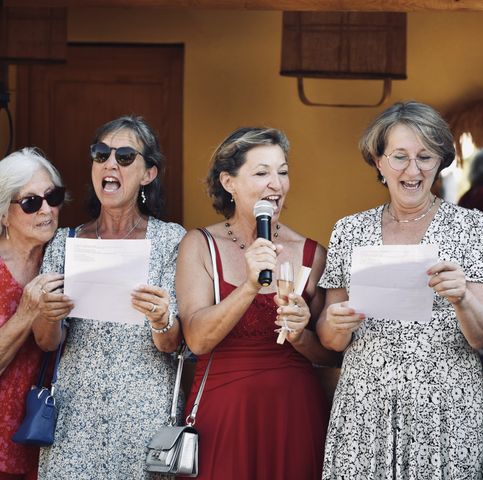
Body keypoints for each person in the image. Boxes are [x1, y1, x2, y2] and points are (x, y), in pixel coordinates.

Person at [317, 101, 483, 479]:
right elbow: (330, 339)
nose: (412, 169)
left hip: (445, 414)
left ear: (440, 162)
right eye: (400, 156)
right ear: (378, 160)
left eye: (425, 156)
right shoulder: (349, 231)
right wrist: (337, 322)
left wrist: (463, 298)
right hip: (364, 411)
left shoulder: (471, 227)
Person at [176, 127, 338, 480]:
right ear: (228, 182)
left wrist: (300, 336)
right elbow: (197, 339)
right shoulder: (199, 245)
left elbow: (332, 355)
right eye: (262, 173)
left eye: (282, 172)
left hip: (294, 413)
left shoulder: (312, 254)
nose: (276, 185)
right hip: (224, 413)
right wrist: (250, 285)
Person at [32, 116, 186, 479]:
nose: (110, 164)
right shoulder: (65, 241)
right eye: (101, 154)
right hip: (74, 413)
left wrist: (162, 318)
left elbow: (172, 344)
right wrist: (49, 315)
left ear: (149, 173)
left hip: (144, 412)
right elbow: (46, 341)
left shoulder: (170, 240)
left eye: (125, 156)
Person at [0, 148, 69, 480]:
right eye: (31, 203)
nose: (47, 210)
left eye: (52, 197)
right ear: (3, 214)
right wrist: (27, 313)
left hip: (45, 431)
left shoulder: (64, 258)